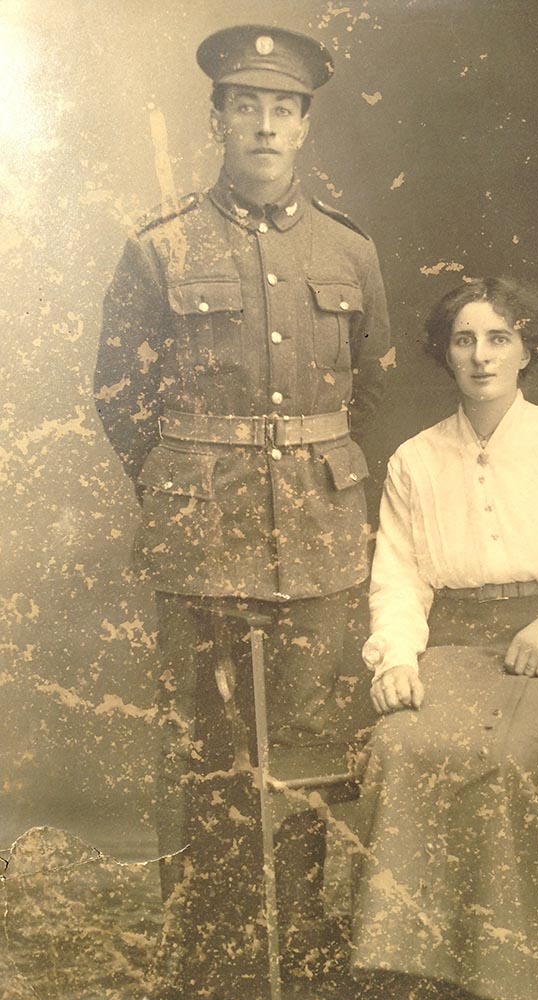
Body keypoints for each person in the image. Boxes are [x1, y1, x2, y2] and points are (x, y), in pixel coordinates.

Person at [94, 24, 390, 999]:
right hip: (200, 547)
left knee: (305, 764)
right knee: (210, 763)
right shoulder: (159, 246)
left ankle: (297, 962)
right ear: (216, 118)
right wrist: (192, 484)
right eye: (246, 105)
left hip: (317, 546)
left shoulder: (348, 249)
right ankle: (214, 963)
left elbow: (371, 396)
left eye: (283, 107)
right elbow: (120, 397)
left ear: (304, 126)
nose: (265, 123)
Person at [350, 276, 538, 1000]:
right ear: (445, 354)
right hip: (450, 651)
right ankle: (419, 973)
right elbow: (398, 580)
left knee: (505, 754)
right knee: (401, 746)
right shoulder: (414, 460)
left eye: (500, 338)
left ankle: (510, 973)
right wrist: (396, 658)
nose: (481, 356)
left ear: (528, 350)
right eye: (464, 340)